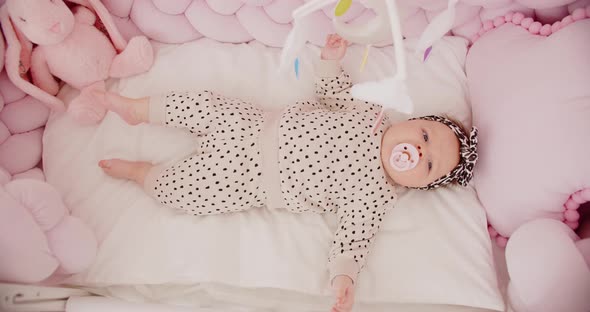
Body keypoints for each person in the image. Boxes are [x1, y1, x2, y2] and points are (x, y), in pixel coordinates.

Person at [97, 34, 478, 312]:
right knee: (202, 105)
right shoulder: (371, 115)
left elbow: (352, 242)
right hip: (251, 126)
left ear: (424, 185)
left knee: (187, 195)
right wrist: (330, 61)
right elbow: (333, 93)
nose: (417, 150)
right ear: (413, 120)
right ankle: (138, 108)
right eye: (425, 135)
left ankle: (141, 174)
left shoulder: (375, 196)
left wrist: (343, 279)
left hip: (247, 182)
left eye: (427, 164)